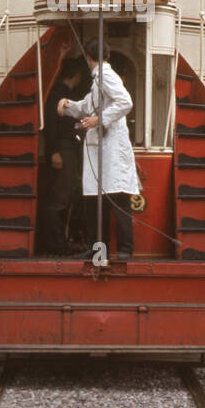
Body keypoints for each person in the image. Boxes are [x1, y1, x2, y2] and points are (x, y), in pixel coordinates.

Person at [57, 38, 139, 260]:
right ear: (108, 55)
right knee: (97, 199)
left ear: (88, 57)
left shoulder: (106, 76)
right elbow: (87, 106)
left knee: (117, 196)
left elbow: (125, 102)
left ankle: (124, 249)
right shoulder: (98, 80)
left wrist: (99, 120)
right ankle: (99, 250)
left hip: (111, 147)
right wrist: (69, 107)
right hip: (101, 148)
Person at [42, 59, 85, 254]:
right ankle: (55, 243)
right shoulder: (59, 95)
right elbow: (51, 124)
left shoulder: (61, 93)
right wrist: (54, 152)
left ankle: (60, 240)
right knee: (60, 196)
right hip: (63, 148)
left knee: (67, 193)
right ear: (76, 75)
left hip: (67, 148)